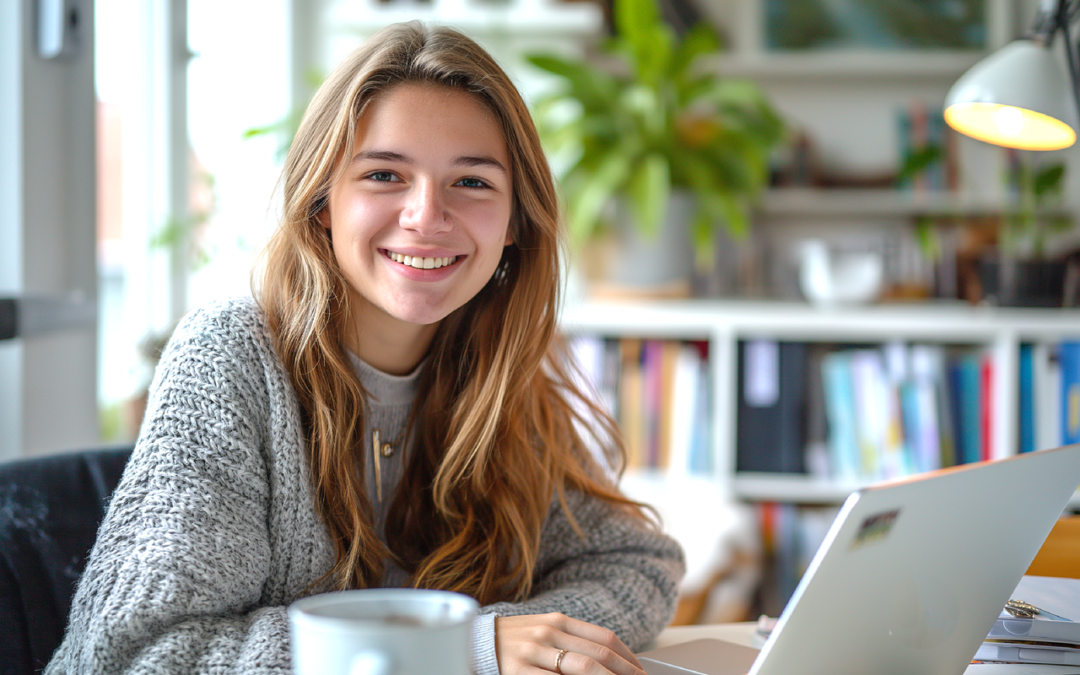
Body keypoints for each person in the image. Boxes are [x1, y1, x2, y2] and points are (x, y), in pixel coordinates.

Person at [47, 21, 684, 675]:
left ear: (517, 221)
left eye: (472, 182)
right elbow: (143, 655)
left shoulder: (497, 369)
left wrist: (523, 638)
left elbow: (637, 564)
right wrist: (460, 647)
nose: (425, 215)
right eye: (384, 174)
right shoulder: (231, 358)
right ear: (324, 201)